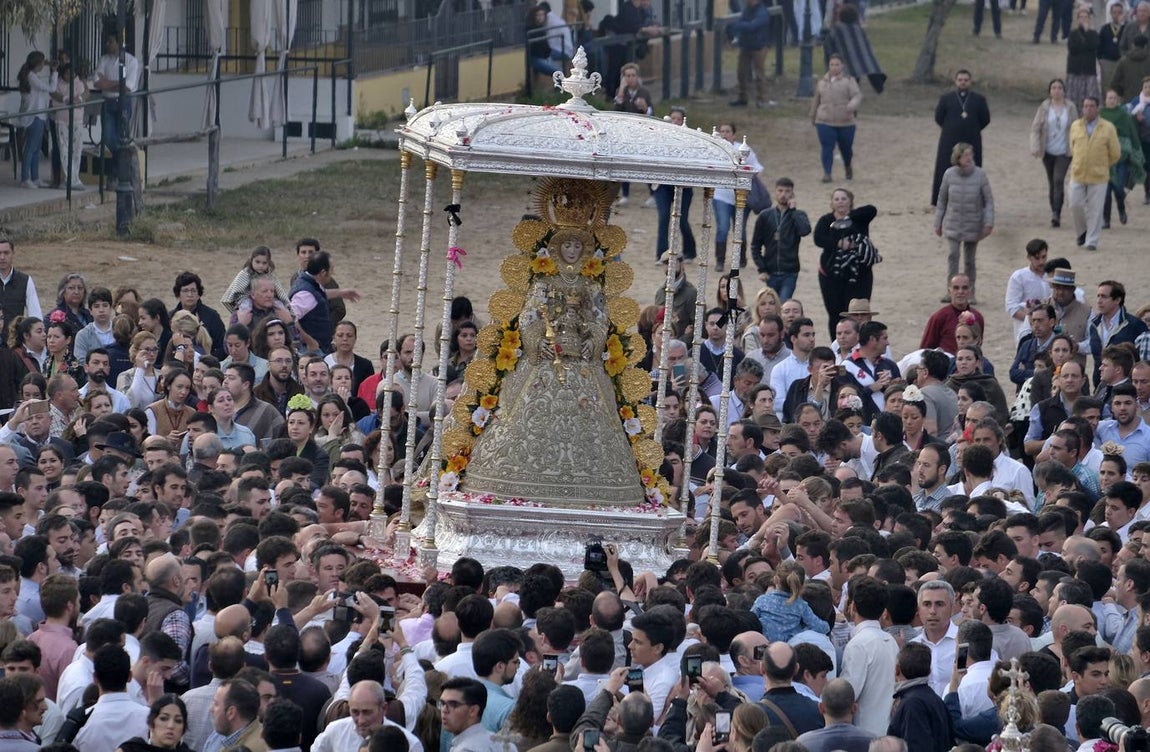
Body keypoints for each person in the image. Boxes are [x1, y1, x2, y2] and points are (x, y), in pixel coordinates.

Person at [813, 188, 879, 340]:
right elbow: (818, 239)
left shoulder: (858, 218)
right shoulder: (826, 220)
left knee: (859, 314)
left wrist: (848, 217)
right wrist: (838, 243)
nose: (840, 202)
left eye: (844, 199)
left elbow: (872, 210)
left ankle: (861, 344)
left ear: (850, 201)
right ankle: (837, 346)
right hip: (831, 275)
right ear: (831, 203)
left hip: (860, 275)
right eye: (836, 199)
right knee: (835, 314)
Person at [933, 143, 994, 301]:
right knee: (953, 256)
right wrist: (938, 222)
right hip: (953, 223)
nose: (969, 158)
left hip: (973, 224)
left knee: (969, 261)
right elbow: (942, 200)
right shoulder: (949, 174)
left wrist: (989, 222)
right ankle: (951, 291)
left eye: (970, 155)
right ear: (957, 157)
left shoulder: (980, 175)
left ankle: (970, 292)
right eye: (965, 155)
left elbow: (988, 201)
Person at [931, 70, 991, 207]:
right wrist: (951, 128)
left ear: (970, 81)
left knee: (972, 167)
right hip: (949, 140)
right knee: (944, 168)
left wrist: (972, 128)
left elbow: (985, 119)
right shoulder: (946, 98)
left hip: (972, 139)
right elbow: (939, 117)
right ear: (955, 81)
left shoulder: (979, 99)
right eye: (960, 80)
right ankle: (941, 200)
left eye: (965, 80)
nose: (963, 82)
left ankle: (973, 200)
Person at [1069, 95, 1121, 250]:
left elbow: (1115, 153)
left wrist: (1102, 164)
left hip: (1099, 175)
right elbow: (1072, 146)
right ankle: (1082, 232)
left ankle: (1091, 240)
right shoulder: (1075, 125)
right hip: (1078, 172)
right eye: (1086, 106)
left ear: (1098, 109)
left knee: (1095, 209)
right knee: (1075, 204)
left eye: (1092, 106)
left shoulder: (1108, 127)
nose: (1088, 109)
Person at [713, 122, 763, 271]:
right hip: (721, 195)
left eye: (727, 131)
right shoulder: (714, 150)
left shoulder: (743, 149)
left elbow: (757, 168)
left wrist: (748, 180)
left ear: (733, 134)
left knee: (739, 229)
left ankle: (741, 257)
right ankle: (720, 260)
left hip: (741, 196)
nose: (724, 134)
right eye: (722, 131)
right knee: (723, 227)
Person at [1031, 80, 1078, 227]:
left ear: (1064, 91)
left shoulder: (1070, 107)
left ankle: (1056, 213)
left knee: (1058, 180)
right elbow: (1035, 128)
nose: (1057, 90)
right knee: (1052, 182)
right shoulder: (1044, 107)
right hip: (1048, 151)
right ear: (1050, 91)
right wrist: (1035, 146)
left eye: (1059, 88)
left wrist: (1077, 147)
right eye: (1053, 88)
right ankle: (1054, 208)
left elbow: (1077, 127)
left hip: (1064, 151)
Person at [811, 55, 862, 184]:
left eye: (837, 64)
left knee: (846, 148)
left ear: (842, 66)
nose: (834, 67)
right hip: (825, 120)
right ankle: (827, 173)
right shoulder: (822, 82)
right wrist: (813, 115)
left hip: (845, 121)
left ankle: (848, 166)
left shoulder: (848, 81)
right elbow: (816, 100)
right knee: (827, 147)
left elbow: (857, 95)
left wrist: (852, 105)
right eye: (832, 65)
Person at [1101, 87, 1146, 228]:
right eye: (1109, 98)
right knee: (1106, 191)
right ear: (1105, 100)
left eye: (1114, 98)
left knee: (1119, 188)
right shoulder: (1100, 115)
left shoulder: (1124, 115)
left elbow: (1132, 132)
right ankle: (1106, 220)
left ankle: (1121, 209)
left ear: (1118, 100)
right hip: (1104, 159)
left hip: (1121, 158)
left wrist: (1137, 151)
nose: (1112, 100)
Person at [92, 33, 140, 155]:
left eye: (111, 42)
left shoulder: (131, 61)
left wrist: (106, 82)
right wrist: (119, 83)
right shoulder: (104, 59)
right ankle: (118, 158)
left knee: (122, 134)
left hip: (123, 102)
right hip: (107, 101)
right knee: (107, 136)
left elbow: (128, 87)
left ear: (119, 43)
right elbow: (96, 82)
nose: (107, 44)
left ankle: (120, 160)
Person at [16, 53, 57, 190]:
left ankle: (35, 177)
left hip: (39, 115)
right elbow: (51, 89)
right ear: (37, 64)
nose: (43, 65)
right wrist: (54, 73)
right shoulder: (31, 77)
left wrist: (49, 66)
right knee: (30, 148)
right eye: (42, 63)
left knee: (36, 148)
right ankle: (25, 178)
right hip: (35, 116)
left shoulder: (32, 75)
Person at [50, 62, 87, 192]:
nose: (69, 76)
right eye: (66, 73)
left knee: (76, 150)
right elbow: (54, 95)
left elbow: (83, 96)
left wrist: (78, 99)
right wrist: (66, 98)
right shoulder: (58, 83)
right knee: (64, 150)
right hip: (61, 121)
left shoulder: (79, 83)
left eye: (72, 73)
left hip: (77, 121)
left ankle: (74, 178)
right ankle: (69, 179)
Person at [114, 694, 195, 752]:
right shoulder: (131, 749)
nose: (171, 726)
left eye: (178, 721)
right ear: (152, 723)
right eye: (163, 719)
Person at [728, 0, 771, 108]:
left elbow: (753, 26)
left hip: (759, 46)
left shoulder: (762, 11)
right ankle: (742, 97)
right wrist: (744, 25)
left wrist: (742, 25)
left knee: (759, 74)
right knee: (741, 72)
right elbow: (741, 24)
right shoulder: (747, 10)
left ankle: (762, 98)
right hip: (746, 45)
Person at [1067, 6, 1102, 111]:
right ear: (1077, 19)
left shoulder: (1093, 34)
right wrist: (1085, 47)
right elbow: (1073, 49)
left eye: (1085, 17)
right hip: (1075, 71)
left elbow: (1094, 46)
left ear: (1089, 19)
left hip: (1089, 71)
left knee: (1089, 99)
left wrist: (1087, 33)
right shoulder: (1073, 34)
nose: (1083, 19)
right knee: (1074, 100)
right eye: (1081, 17)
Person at [1127, 75, 1150, 205]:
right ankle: (1147, 193)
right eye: (1145, 87)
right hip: (1141, 140)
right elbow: (1128, 117)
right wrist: (1136, 119)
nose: (1148, 89)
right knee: (1145, 167)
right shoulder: (1136, 101)